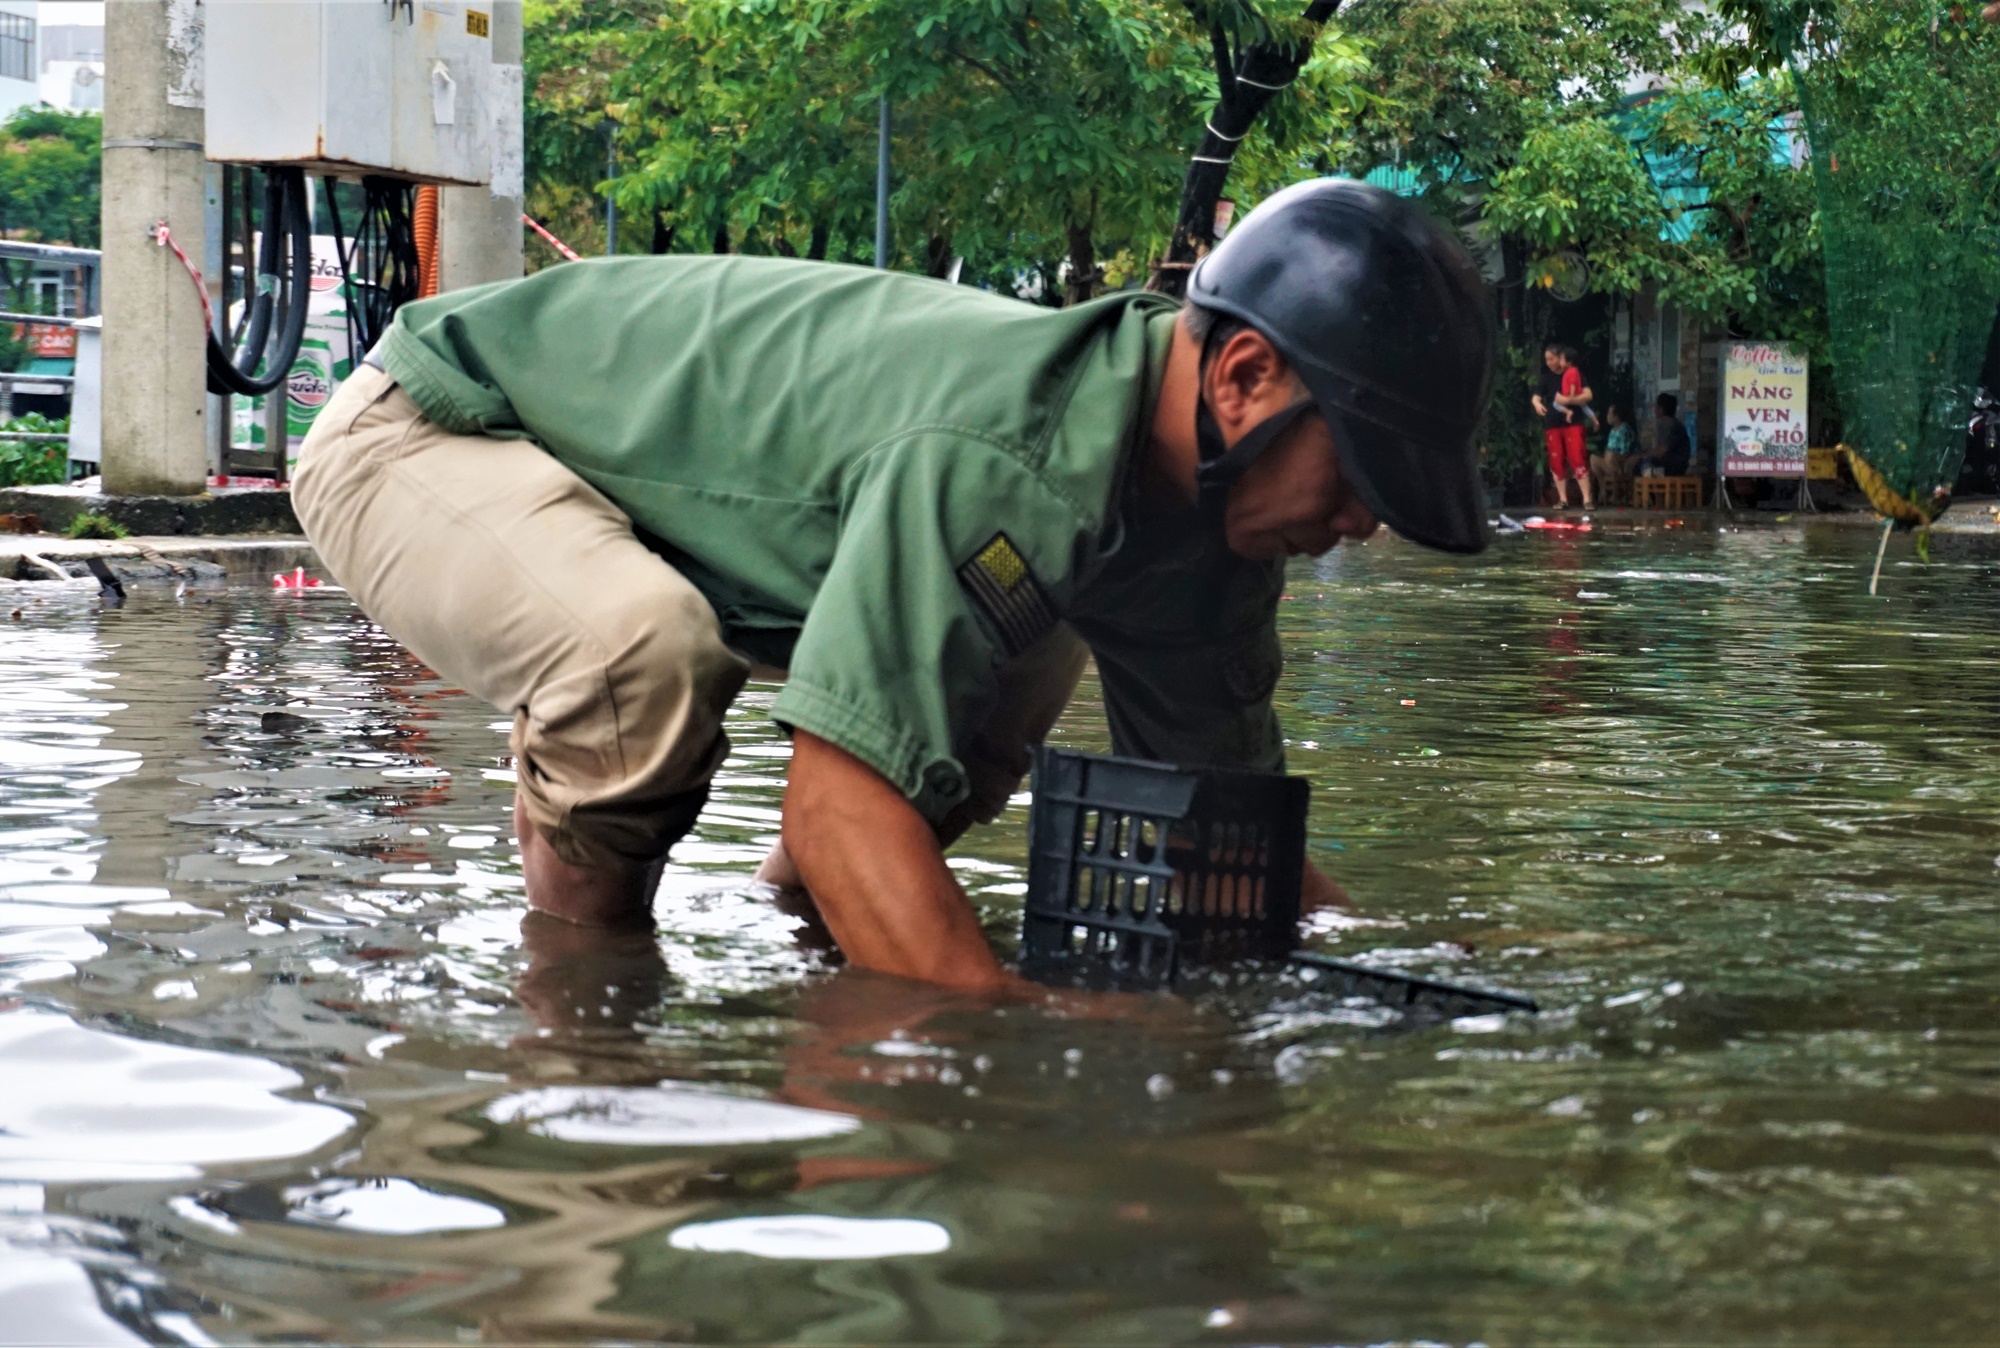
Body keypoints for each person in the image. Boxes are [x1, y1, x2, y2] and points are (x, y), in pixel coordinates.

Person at [292, 179, 1495, 994]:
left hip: (658, 499)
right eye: (1361, 473)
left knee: (1026, 642)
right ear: (1241, 376)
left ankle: (794, 925)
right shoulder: (1006, 458)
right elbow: (833, 800)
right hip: (428, 426)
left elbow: (1224, 838)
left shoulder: (1202, 548)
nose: (1364, 524)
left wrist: (1412, 960)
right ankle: (577, 1000)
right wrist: (1002, 1041)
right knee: (638, 658)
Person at [1531, 343, 1594, 508]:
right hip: (1552, 424)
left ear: (1561, 357)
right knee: (1556, 460)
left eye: (1551, 359)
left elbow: (1588, 395)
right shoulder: (1546, 377)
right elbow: (1536, 396)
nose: (1549, 362)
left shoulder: (1573, 373)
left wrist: (1569, 401)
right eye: (1547, 359)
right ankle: (1563, 499)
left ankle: (1587, 499)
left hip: (1573, 424)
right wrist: (1537, 404)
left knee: (1578, 457)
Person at [1590, 404, 1637, 500]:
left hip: (1620, 463)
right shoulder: (1612, 431)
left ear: (1616, 416)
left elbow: (1626, 452)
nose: (1607, 416)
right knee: (1593, 458)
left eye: (1609, 413)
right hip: (1609, 462)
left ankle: (1615, 492)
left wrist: (1611, 455)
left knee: (1610, 455)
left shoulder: (1625, 429)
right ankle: (1603, 490)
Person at [1643, 392, 1693, 477]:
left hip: (1674, 465)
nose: (1654, 409)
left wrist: (1643, 455)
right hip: (1675, 464)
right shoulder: (1671, 423)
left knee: (1645, 461)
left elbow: (1661, 451)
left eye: (1656, 406)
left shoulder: (1669, 424)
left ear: (1661, 409)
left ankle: (1650, 478)